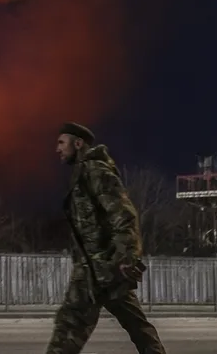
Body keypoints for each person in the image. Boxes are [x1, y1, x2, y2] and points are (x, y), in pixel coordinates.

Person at [46, 122, 167, 354]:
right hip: (97, 269)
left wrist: (126, 257)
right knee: (136, 328)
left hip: (103, 268)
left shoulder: (95, 171)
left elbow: (124, 215)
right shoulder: (82, 174)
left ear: (78, 143)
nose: (57, 149)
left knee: (71, 326)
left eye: (61, 142)